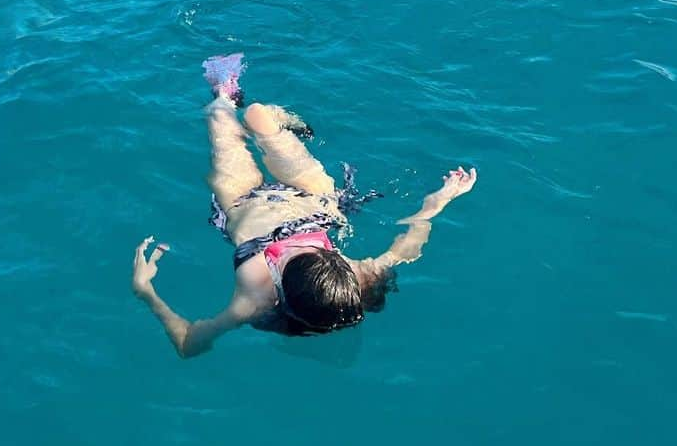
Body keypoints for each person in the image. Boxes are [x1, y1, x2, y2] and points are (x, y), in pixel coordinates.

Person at [132, 54, 477, 357]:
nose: (292, 245)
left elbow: (190, 344)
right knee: (256, 116)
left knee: (221, 117)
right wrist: (439, 201)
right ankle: (278, 123)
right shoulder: (354, 279)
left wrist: (145, 290)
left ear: (278, 290)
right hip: (313, 198)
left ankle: (224, 95)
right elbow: (406, 248)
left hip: (243, 201)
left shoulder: (251, 304)